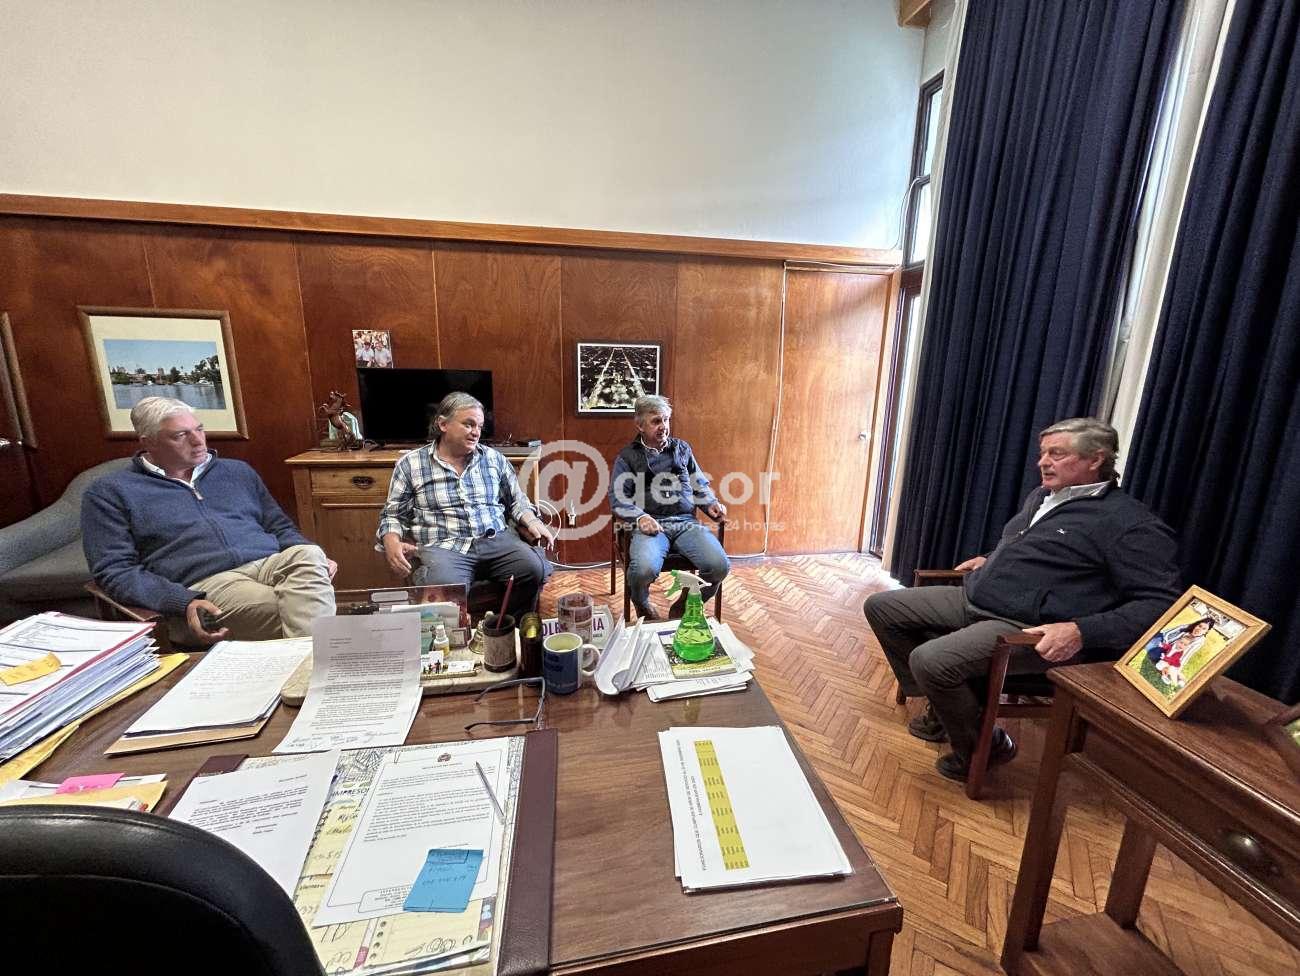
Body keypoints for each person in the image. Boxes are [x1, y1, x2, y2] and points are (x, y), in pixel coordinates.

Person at [863, 418, 1182, 782]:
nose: (1043, 462)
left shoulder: (1129, 524)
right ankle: (946, 706)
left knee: (930, 659)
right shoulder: (1043, 496)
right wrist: (992, 559)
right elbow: (1032, 547)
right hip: (976, 598)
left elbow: (1160, 604)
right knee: (882, 607)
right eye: (1043, 453)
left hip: (1025, 626)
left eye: (1056, 454)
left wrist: (1081, 631)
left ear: (1095, 459)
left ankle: (984, 748)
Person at [82, 397, 338, 644]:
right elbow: (114, 571)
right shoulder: (110, 492)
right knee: (300, 610)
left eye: (199, 429)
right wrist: (181, 601)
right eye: (180, 435)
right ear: (149, 442)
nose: (197, 441)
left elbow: (278, 526)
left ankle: (314, 665)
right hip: (206, 583)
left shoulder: (236, 472)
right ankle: (323, 665)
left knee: (309, 554)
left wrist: (312, 556)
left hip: (270, 563)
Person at [377, 391, 553, 619]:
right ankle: (456, 637)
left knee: (532, 568)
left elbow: (517, 500)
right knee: (444, 587)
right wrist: (391, 542)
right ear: (443, 424)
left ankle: (508, 626)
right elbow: (393, 515)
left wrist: (532, 520)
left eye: (479, 426)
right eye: (468, 424)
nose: (476, 432)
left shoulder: (493, 459)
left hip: (496, 540)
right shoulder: (411, 464)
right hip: (444, 546)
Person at [609, 395, 729, 621]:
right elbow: (617, 497)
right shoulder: (627, 457)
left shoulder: (682, 449)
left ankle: (686, 603)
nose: (663, 426)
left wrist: (710, 503)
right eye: (656, 421)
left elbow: (699, 485)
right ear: (640, 425)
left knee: (719, 566)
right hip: (650, 526)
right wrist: (640, 518)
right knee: (642, 571)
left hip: (685, 523)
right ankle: (643, 605)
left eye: (666, 420)